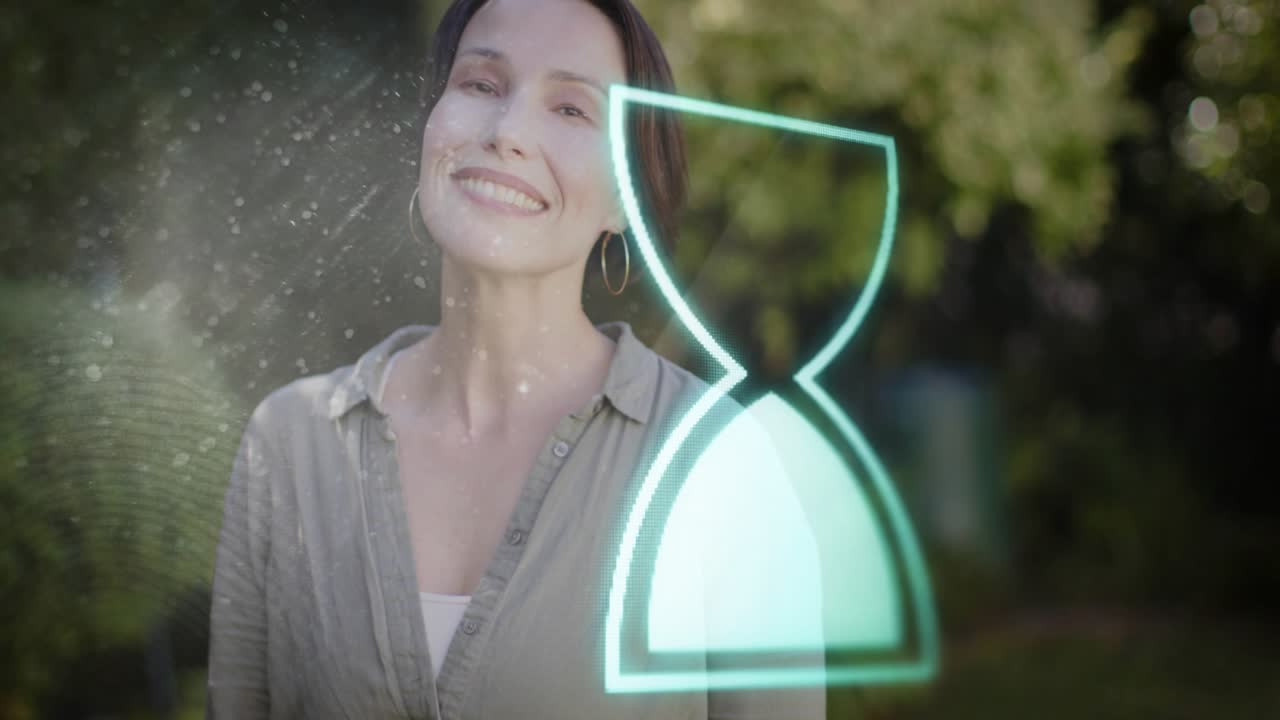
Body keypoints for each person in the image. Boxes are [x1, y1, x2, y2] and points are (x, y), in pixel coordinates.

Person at [206, 0, 826, 717]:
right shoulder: (289, 444)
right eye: (480, 86)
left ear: (627, 195)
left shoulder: (723, 468)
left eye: (570, 110)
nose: (507, 134)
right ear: (430, 126)